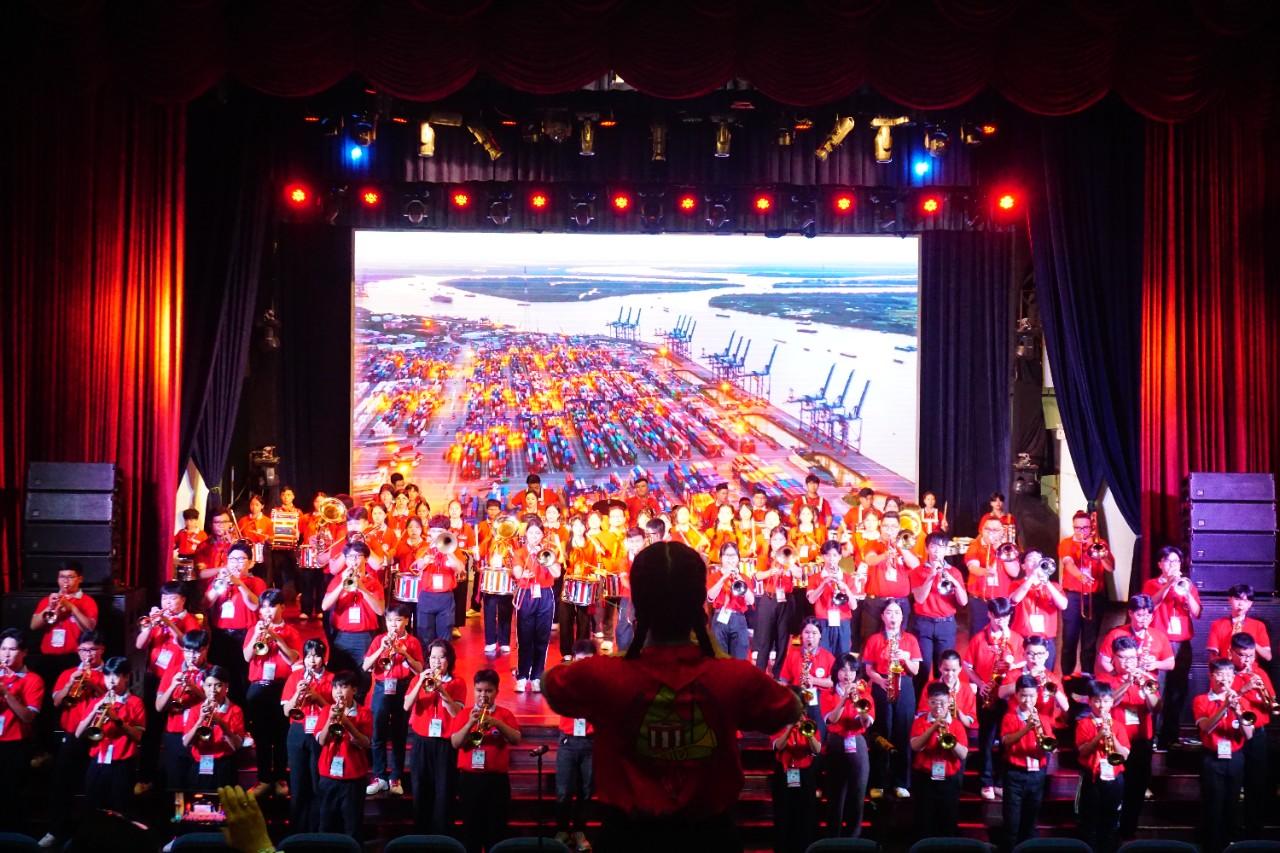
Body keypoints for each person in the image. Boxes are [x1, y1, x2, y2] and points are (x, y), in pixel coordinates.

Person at [543, 541, 802, 853]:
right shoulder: (731, 676)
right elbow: (790, 707)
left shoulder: (605, 675)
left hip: (628, 838)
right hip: (709, 838)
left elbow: (551, 684)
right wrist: (716, 653)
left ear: (637, 607)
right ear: (698, 605)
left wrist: (621, 658)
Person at [134, 582, 198, 794]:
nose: (167, 603)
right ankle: (146, 777)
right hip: (155, 678)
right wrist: (150, 626)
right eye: (164, 599)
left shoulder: (190, 620)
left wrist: (169, 623)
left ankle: (180, 778)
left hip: (179, 680)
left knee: (178, 727)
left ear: (183, 600)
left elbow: (187, 643)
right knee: (151, 729)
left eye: (172, 599)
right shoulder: (156, 619)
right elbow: (139, 645)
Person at [43, 633, 105, 848]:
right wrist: (71, 683)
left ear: (102, 650)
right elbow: (56, 702)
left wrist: (93, 685)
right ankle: (56, 831)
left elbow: (111, 700)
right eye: (84, 650)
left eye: (93, 649)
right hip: (71, 735)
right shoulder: (68, 673)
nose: (88, 654)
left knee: (94, 787)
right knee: (61, 784)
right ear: (78, 651)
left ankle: (93, 833)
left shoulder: (109, 672)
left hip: (98, 736)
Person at [450, 668, 522, 853]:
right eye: (479, 690)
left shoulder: (505, 714)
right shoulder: (464, 713)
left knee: (496, 832)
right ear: (474, 690)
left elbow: (516, 739)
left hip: (496, 782)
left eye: (488, 690)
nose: (483, 695)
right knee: (471, 832)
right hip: (470, 781)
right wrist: (470, 723)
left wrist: (497, 723)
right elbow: (456, 743)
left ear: (497, 692)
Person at [242, 589, 299, 799]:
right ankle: (264, 779)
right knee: (261, 736)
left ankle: (281, 778)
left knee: (281, 735)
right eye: (264, 607)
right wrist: (258, 635)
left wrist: (276, 637)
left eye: (272, 606)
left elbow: (293, 658)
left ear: (282, 607)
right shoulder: (253, 629)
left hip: (281, 687)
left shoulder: (291, 632)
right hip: (258, 687)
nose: (267, 611)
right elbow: (247, 656)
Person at [862, 598, 921, 799]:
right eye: (889, 612)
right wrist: (879, 680)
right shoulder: (874, 639)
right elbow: (868, 669)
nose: (893, 616)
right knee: (881, 733)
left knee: (903, 732)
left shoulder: (910, 639)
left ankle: (901, 782)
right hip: (882, 684)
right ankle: (878, 781)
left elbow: (915, 670)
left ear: (902, 617)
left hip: (904, 685)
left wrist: (905, 658)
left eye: (897, 613)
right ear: (882, 616)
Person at [362, 603, 424, 797]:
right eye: (389, 621)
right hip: (382, 688)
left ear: (406, 621)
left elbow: (420, 670)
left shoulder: (413, 642)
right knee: (378, 733)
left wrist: (404, 653)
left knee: (399, 734)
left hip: (402, 688)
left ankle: (396, 777)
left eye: (398, 620)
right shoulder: (379, 639)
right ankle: (379, 776)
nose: (393, 625)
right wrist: (382, 648)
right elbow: (365, 666)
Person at [405, 639, 466, 835]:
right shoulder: (418, 680)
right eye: (433, 658)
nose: (436, 662)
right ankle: (421, 837)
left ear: (449, 660)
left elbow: (457, 713)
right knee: (420, 791)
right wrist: (420, 682)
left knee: (444, 793)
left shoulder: (457, 683)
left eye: (441, 658)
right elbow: (406, 706)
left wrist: (442, 691)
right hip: (422, 743)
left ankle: (443, 838)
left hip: (445, 745)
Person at [967, 596, 1024, 801]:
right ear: (990, 614)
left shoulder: (1016, 638)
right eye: (998, 617)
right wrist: (981, 684)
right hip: (987, 694)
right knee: (987, 740)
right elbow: (968, 667)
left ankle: (1000, 782)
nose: (1002, 621)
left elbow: (1022, 663)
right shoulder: (978, 638)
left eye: (1006, 617)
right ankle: (986, 781)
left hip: (1008, 695)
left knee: (1006, 740)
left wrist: (1011, 664)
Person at [1104, 635, 1161, 838]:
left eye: (1132, 658)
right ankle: (1109, 830)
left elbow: (1157, 708)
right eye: (1123, 658)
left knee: (1137, 787)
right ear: (1114, 658)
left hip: (1141, 740)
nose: (1128, 663)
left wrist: (1146, 688)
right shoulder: (1105, 680)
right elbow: (1108, 703)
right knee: (1113, 786)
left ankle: (1128, 831)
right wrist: (1127, 683)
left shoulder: (1147, 679)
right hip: (1116, 741)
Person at [1196, 658, 1254, 853]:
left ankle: (1231, 845)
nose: (1225, 679)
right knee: (1213, 804)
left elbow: (1249, 734)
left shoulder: (1243, 701)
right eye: (1220, 675)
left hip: (1236, 758)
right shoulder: (1201, 700)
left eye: (1229, 675)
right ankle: (1211, 846)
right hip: (1212, 759)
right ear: (1211, 676)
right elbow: (1206, 727)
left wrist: (1238, 712)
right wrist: (1224, 707)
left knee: (1232, 803)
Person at [76, 656, 144, 817]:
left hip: (122, 764)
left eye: (116, 676)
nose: (111, 681)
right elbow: (78, 733)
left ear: (126, 677)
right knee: (93, 809)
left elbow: (138, 736)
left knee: (120, 811)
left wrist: (117, 720)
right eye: (107, 676)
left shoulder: (135, 702)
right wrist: (94, 710)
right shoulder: (98, 701)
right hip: (98, 761)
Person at [321, 540, 385, 701]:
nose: (353, 561)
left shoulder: (373, 582)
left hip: (364, 637)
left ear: (366, 558)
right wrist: (342, 585)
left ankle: (358, 707)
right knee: (339, 675)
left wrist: (362, 588)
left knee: (363, 676)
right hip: (342, 636)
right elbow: (325, 606)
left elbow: (380, 610)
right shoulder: (337, 580)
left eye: (357, 556)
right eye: (349, 557)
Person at [280, 639, 332, 832]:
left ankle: (319, 830)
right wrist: (298, 693)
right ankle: (298, 831)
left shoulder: (332, 678)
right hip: (298, 732)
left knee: (318, 784)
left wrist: (317, 698)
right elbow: (286, 711)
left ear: (323, 658)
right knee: (298, 784)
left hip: (321, 732)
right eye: (308, 656)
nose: (312, 660)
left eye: (316, 656)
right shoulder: (295, 677)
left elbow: (335, 711)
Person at [204, 542, 265, 702]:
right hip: (220, 635)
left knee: (242, 676)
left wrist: (240, 584)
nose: (235, 563)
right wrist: (220, 585)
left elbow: (255, 605)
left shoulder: (256, 582)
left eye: (241, 559)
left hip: (244, 636)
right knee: (220, 675)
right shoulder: (219, 580)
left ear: (250, 563)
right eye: (232, 559)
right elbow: (206, 603)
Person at [316, 671, 374, 839]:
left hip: (353, 778)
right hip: (328, 777)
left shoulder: (364, 712)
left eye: (343, 687)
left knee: (352, 826)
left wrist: (347, 723)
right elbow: (322, 740)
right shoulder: (326, 710)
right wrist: (330, 719)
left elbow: (365, 743)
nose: (338, 692)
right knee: (326, 824)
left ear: (354, 690)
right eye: (335, 687)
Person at [822, 653, 873, 838]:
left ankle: (854, 840)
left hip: (857, 742)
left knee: (857, 795)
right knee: (835, 797)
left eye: (852, 670)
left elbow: (866, 723)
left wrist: (860, 706)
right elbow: (831, 720)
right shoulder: (828, 694)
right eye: (843, 670)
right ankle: (833, 840)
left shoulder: (864, 693)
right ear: (836, 671)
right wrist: (844, 699)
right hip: (835, 742)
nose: (847, 674)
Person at [909, 681, 970, 838]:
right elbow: (915, 746)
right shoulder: (920, 722)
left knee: (948, 822)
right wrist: (933, 728)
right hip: (925, 779)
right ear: (928, 702)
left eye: (942, 703)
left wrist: (950, 741)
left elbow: (963, 754)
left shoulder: (956, 725)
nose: (938, 707)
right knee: (924, 823)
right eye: (933, 702)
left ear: (949, 701)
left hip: (949, 780)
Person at [999, 675, 1054, 848]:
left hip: (1037, 775)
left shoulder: (1043, 718)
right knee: (1012, 824)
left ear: (1037, 696)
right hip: (1015, 774)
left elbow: (1051, 745)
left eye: (1031, 696)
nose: (1027, 700)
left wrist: (1041, 735)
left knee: (1030, 824)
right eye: (1023, 695)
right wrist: (1026, 728)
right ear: (1016, 695)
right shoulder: (1009, 717)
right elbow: (1006, 742)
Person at [1059, 510, 1115, 675]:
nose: (1081, 531)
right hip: (1073, 596)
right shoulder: (1066, 543)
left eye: (1085, 528)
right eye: (1077, 528)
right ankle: (1066, 676)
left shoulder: (1100, 543)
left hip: (1094, 596)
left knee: (1090, 641)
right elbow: (1068, 563)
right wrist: (1080, 576)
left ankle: (1087, 675)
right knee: (1069, 639)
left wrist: (1099, 551)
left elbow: (1110, 568)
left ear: (1091, 528)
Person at [1075, 682, 1129, 853]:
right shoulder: (1084, 724)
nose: (1101, 706)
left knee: (1111, 821)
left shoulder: (1118, 725)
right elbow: (1083, 751)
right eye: (1097, 701)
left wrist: (1112, 737)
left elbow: (1124, 755)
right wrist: (1099, 736)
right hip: (1092, 777)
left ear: (1112, 702)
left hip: (1114, 778)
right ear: (1090, 701)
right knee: (1089, 822)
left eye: (1105, 701)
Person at [1229, 632, 1273, 836]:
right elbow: (1223, 700)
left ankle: (1254, 829)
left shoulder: (1260, 673)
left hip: (1258, 735)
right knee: (1233, 783)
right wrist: (1244, 688)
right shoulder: (1225, 672)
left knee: (1256, 782)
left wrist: (1266, 698)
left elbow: (1272, 702)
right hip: (1234, 735)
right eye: (1242, 655)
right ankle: (1231, 829)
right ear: (1231, 652)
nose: (1247, 660)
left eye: (1250, 655)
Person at [555, 639, 597, 850]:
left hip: (591, 742)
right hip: (568, 741)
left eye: (588, 661)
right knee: (563, 790)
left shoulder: (601, 684)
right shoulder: (565, 680)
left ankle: (580, 831)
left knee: (586, 790)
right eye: (580, 661)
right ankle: (563, 830)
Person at [0, 629, 43, 834]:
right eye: (3, 649)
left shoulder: (33, 680)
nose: (6, 654)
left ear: (24, 652)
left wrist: (7, 694)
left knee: (12, 795)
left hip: (15, 744)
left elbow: (28, 717)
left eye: (12, 649)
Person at [155, 630, 209, 791]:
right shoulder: (172, 671)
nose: (191, 657)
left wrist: (195, 689)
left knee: (201, 783)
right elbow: (159, 707)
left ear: (205, 649)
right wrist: (173, 685)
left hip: (202, 734)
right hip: (175, 733)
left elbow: (217, 703)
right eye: (187, 651)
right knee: (176, 783)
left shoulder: (212, 672)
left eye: (196, 652)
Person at [909, 532, 967, 680]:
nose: (937, 551)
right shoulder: (917, 571)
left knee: (943, 669)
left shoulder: (954, 572)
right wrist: (931, 576)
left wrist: (954, 582)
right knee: (922, 669)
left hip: (946, 624)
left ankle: (942, 694)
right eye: (933, 546)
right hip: (923, 624)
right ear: (927, 549)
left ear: (946, 550)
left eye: (941, 547)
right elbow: (919, 599)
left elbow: (963, 602)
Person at [770, 688, 821, 853]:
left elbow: (817, 749)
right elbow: (778, 746)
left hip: (805, 773)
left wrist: (808, 733)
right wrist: (790, 728)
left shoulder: (809, 723)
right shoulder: (778, 722)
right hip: (784, 773)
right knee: (784, 815)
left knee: (805, 815)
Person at [514, 519, 562, 692]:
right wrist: (524, 572)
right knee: (525, 637)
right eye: (531, 533)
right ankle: (522, 676)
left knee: (542, 638)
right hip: (527, 594)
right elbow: (517, 572)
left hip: (545, 595)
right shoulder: (520, 552)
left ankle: (536, 676)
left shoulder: (549, 551)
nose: (534, 536)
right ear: (526, 534)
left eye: (537, 533)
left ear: (542, 535)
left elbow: (557, 573)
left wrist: (546, 559)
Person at [858, 512, 919, 643]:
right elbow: (870, 560)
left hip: (900, 602)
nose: (889, 530)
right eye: (886, 526)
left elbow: (915, 565)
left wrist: (901, 547)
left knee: (900, 641)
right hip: (876, 602)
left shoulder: (905, 546)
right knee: (871, 640)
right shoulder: (872, 544)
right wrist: (885, 554)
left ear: (899, 528)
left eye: (893, 527)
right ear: (880, 526)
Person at [183, 665, 246, 792]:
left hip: (225, 766)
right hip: (200, 764)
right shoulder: (195, 710)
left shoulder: (235, 710)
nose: (213, 690)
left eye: (218, 685)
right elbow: (186, 743)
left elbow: (236, 746)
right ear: (203, 687)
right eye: (209, 685)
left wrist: (220, 722)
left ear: (226, 687)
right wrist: (200, 720)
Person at [1009, 550, 1067, 670]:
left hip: (1045, 640)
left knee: (1045, 674)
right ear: (1023, 566)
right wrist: (1032, 578)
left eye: (1038, 559)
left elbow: (1063, 605)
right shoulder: (1016, 584)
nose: (1036, 562)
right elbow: (1015, 599)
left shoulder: (1054, 586)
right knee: (1021, 675)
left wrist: (1047, 582)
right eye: (1031, 559)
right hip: (1022, 639)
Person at [963, 516, 1021, 637]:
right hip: (980, 600)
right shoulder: (975, 545)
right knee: (978, 635)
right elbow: (972, 568)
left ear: (1002, 532)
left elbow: (1014, 573)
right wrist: (985, 572)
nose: (991, 533)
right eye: (988, 529)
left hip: (1001, 600)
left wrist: (1001, 550)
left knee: (1002, 635)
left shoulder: (1008, 547)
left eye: (995, 530)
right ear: (981, 530)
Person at [779, 619, 836, 737]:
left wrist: (814, 680)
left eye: (814, 633)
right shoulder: (793, 655)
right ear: (801, 634)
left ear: (820, 635)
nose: (810, 636)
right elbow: (784, 680)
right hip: (798, 699)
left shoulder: (828, 656)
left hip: (820, 701)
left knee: (819, 734)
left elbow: (832, 681)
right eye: (807, 632)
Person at [416, 514, 467, 646]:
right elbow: (417, 567)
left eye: (440, 531)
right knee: (425, 636)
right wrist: (424, 560)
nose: (436, 534)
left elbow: (460, 569)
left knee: (445, 637)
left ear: (447, 532)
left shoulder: (454, 550)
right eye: (433, 531)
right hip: (426, 596)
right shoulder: (424, 548)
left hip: (445, 597)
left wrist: (447, 550)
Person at [753, 526, 796, 676]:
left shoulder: (790, 555)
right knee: (764, 638)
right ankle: (760, 673)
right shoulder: (764, 557)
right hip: (769, 599)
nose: (778, 542)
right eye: (775, 539)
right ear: (770, 541)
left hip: (786, 599)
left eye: (781, 539)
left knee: (783, 639)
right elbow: (757, 576)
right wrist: (771, 571)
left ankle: (778, 674)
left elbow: (799, 574)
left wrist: (789, 563)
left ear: (786, 541)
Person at [1098, 595, 1174, 679]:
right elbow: (1103, 661)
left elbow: (1171, 663)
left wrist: (1155, 664)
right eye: (1140, 615)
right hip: (1121, 681)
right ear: (1130, 613)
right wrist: (1118, 677)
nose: (1145, 620)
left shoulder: (1160, 636)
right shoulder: (1115, 634)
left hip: (1147, 682)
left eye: (1148, 616)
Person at [561, 515, 604, 660]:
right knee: (566, 618)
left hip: (585, 586)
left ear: (585, 527)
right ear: (571, 527)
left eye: (581, 525)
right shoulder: (565, 544)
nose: (578, 528)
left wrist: (595, 576)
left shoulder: (591, 544)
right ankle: (567, 651)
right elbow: (560, 563)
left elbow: (595, 566)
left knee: (584, 619)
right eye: (575, 525)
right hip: (568, 585)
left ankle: (582, 650)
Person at [807, 540, 856, 658]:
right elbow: (811, 600)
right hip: (823, 622)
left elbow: (854, 606)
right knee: (823, 656)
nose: (831, 559)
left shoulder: (848, 578)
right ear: (823, 557)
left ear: (840, 557)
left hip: (843, 622)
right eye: (828, 555)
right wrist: (824, 583)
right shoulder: (815, 578)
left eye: (835, 555)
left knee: (843, 657)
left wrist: (845, 588)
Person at [707, 541, 754, 660]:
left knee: (739, 659)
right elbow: (710, 597)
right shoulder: (714, 577)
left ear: (738, 558)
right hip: (719, 618)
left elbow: (751, 600)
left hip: (738, 618)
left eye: (733, 555)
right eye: (727, 555)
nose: (730, 559)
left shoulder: (744, 578)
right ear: (721, 558)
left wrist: (739, 579)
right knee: (720, 658)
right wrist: (723, 578)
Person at [1207, 583, 1272, 661]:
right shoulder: (1217, 624)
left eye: (1245, 601)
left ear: (1250, 604)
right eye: (1237, 599)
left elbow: (1268, 657)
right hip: (1226, 666)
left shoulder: (1259, 625)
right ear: (1229, 600)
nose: (1241, 604)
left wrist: (1251, 643)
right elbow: (1213, 656)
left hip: (1250, 666)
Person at [918, 650, 978, 729]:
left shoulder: (968, 689)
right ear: (940, 668)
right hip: (932, 728)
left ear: (960, 669)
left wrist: (957, 711)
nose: (950, 674)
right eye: (946, 670)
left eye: (954, 670)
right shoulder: (929, 686)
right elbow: (922, 715)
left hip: (959, 730)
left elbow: (970, 722)